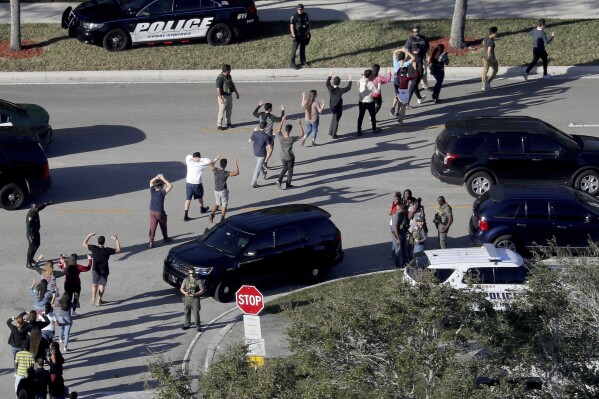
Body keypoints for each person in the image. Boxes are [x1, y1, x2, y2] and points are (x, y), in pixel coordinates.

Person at [83, 233, 121, 306]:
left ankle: (93, 296)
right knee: (102, 285)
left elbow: (84, 243)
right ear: (104, 242)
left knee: (94, 283)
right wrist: (116, 240)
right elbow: (118, 250)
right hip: (104, 270)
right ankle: (99, 300)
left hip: (95, 269)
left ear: (98, 242)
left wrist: (89, 235)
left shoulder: (94, 248)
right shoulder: (107, 250)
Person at [184, 152, 215, 222]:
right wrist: (200, 159)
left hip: (188, 184)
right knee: (200, 197)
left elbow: (187, 156)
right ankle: (202, 209)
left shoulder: (189, 162)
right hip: (197, 184)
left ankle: (185, 216)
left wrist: (193, 159)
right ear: (199, 157)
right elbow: (209, 160)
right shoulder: (201, 164)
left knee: (188, 199)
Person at [209, 156, 239, 224]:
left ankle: (212, 214)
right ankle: (222, 219)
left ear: (220, 164)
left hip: (216, 190)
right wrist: (236, 163)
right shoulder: (226, 173)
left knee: (217, 203)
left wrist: (216, 158)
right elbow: (237, 173)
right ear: (225, 165)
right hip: (223, 191)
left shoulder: (215, 170)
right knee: (224, 205)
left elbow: (211, 165)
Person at [276, 117, 304, 190]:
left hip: (282, 156)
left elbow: (278, 129)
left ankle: (279, 180)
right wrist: (299, 124)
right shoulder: (291, 139)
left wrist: (282, 121)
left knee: (284, 167)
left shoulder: (280, 137)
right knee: (290, 170)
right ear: (290, 130)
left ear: (285, 129)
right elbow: (301, 134)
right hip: (290, 157)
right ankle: (288, 184)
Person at [148, 174, 173, 248]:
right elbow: (170, 186)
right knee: (163, 225)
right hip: (160, 213)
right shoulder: (162, 193)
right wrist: (163, 178)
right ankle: (165, 238)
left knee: (152, 227)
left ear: (155, 186)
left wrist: (156, 177)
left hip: (152, 211)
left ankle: (151, 242)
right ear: (161, 187)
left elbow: (151, 181)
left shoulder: (152, 191)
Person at [26, 201, 52, 269]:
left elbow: (40, 208)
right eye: (35, 207)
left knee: (37, 245)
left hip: (36, 232)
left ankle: (31, 259)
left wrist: (46, 203)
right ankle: (28, 262)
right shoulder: (30, 215)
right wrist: (29, 236)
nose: (37, 208)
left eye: (37, 207)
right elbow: (28, 227)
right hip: (32, 234)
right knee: (31, 248)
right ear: (32, 208)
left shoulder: (35, 211)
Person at [325, 71, 352, 139]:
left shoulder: (330, 88)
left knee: (333, 118)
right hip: (338, 107)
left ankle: (330, 131)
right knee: (336, 120)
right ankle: (334, 134)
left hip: (332, 106)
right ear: (339, 83)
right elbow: (348, 88)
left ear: (333, 82)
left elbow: (327, 83)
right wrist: (350, 80)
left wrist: (330, 75)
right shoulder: (340, 90)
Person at [390, 48, 415, 116]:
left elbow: (394, 52)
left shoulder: (395, 62)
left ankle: (393, 107)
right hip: (402, 81)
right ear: (404, 58)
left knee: (396, 95)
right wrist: (407, 51)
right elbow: (413, 58)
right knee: (400, 96)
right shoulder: (406, 64)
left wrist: (402, 49)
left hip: (396, 80)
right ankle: (398, 111)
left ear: (398, 57)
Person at [404, 25, 430, 89]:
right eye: (414, 32)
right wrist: (406, 60)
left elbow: (427, 48)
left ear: (419, 31)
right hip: (413, 58)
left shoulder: (424, 39)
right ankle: (413, 86)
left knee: (424, 72)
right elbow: (406, 49)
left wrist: (428, 56)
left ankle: (425, 85)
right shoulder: (410, 39)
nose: (415, 33)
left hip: (422, 57)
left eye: (417, 31)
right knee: (412, 73)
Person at [357, 69, 380, 136]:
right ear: (370, 75)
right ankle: (374, 129)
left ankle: (359, 130)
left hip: (361, 101)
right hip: (369, 101)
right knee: (372, 115)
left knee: (361, 116)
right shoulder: (370, 83)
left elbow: (357, 83)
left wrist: (363, 77)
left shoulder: (361, 80)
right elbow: (377, 92)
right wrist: (379, 84)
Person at [249, 121, 273, 188]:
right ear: (265, 127)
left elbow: (249, 140)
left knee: (260, 165)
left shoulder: (255, 133)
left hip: (255, 152)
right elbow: (269, 146)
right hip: (262, 154)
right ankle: (253, 183)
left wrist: (253, 132)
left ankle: (264, 173)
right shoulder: (265, 136)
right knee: (257, 168)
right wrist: (273, 137)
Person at [215, 64, 239, 130]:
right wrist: (221, 98)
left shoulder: (229, 76)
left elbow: (232, 84)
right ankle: (219, 125)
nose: (230, 71)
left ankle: (228, 123)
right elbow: (218, 89)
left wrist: (236, 93)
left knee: (229, 111)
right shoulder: (220, 78)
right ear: (226, 71)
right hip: (223, 96)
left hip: (229, 96)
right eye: (229, 70)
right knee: (221, 111)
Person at [289, 3, 310, 69]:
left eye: (301, 9)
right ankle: (292, 63)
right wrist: (293, 35)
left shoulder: (305, 15)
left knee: (302, 49)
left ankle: (303, 61)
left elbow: (307, 24)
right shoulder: (294, 16)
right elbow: (291, 26)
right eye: (298, 9)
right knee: (294, 50)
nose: (299, 10)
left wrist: (308, 32)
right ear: (297, 9)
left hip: (303, 35)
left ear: (303, 9)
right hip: (297, 35)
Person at [391, 204, 409, 268]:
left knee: (404, 249)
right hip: (397, 234)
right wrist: (398, 238)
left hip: (403, 232)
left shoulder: (403, 214)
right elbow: (395, 228)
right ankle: (397, 265)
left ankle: (405, 263)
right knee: (397, 251)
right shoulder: (396, 216)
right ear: (403, 210)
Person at [482, 26, 499, 91]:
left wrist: (494, 39)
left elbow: (484, 43)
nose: (496, 33)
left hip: (484, 57)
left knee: (485, 71)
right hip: (490, 58)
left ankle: (484, 84)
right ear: (492, 34)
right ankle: (488, 82)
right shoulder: (491, 42)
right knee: (495, 70)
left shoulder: (486, 37)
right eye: (495, 33)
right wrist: (492, 59)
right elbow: (489, 51)